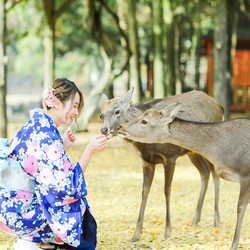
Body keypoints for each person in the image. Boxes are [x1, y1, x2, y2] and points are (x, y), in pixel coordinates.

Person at [0, 78, 108, 250]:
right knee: (77, 207)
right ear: (56, 103)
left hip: (10, 205)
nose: (75, 113)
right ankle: (34, 241)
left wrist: (63, 146)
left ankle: (40, 242)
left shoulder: (37, 126)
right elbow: (66, 188)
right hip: (21, 211)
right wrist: (89, 150)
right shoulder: (47, 136)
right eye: (74, 106)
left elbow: (37, 166)